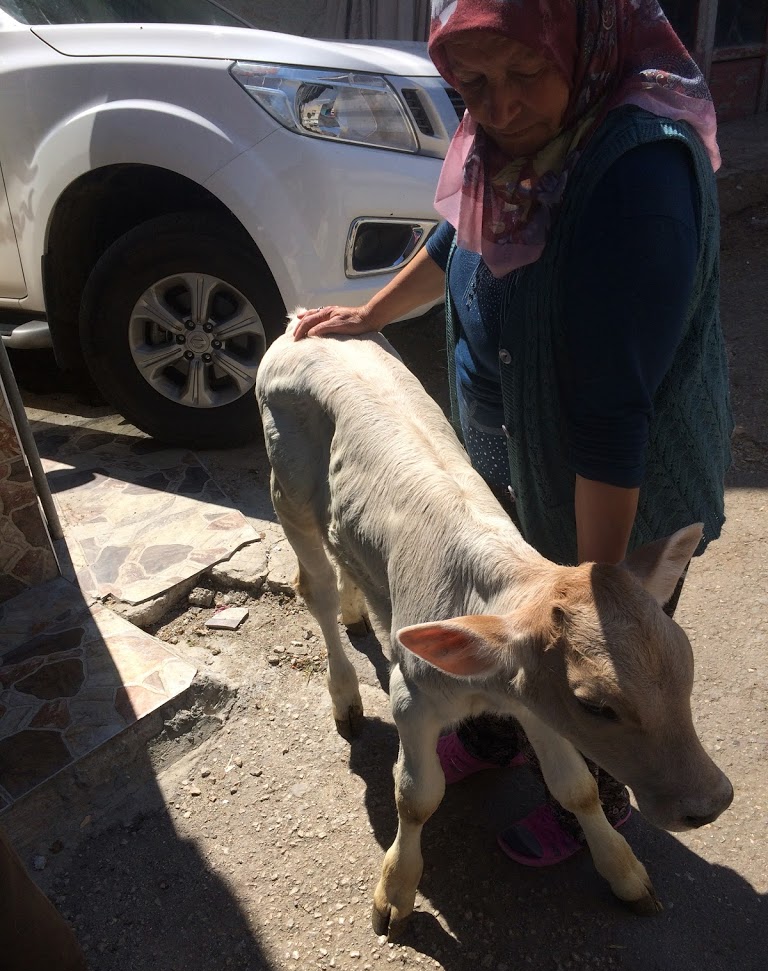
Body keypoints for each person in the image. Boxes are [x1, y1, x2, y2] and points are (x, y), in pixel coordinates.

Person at [293, 0, 732, 868]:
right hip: (522, 476)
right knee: (510, 648)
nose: (498, 106)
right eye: (473, 84)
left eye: (524, 71)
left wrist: (594, 589)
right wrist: (370, 315)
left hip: (612, 493)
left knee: (607, 683)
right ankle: (498, 737)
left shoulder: (635, 177)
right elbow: (457, 236)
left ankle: (590, 807)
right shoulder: (517, 148)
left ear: (583, 41)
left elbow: (611, 412)